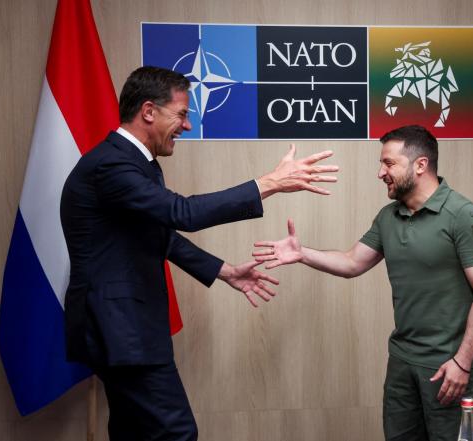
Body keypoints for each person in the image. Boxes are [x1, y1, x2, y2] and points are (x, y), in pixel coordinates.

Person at [60, 66, 338, 441]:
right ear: (148, 111)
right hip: (122, 330)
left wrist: (223, 271)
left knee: (133, 433)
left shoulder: (132, 163)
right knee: (177, 433)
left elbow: (158, 233)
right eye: (182, 114)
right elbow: (182, 214)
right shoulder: (113, 165)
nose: (187, 126)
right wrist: (269, 183)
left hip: (124, 329)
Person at [253, 125, 473, 441]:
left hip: (447, 365)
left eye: (388, 163)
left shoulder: (466, 216)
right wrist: (302, 254)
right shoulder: (388, 217)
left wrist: (463, 362)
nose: (380, 172)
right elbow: (352, 262)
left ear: (420, 165)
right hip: (402, 361)